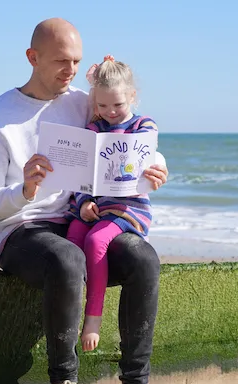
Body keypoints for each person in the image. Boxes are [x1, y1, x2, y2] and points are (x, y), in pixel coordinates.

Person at [0, 17, 185, 384]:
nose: (70, 71)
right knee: (67, 258)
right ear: (32, 58)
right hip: (23, 231)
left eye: (76, 62)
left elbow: (130, 130)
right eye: (60, 61)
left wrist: (157, 166)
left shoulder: (84, 101)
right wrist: (24, 189)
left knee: (142, 257)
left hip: (80, 219)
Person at [65, 55, 159, 354]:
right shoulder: (94, 129)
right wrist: (84, 203)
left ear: (132, 96)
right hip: (98, 205)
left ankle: (93, 318)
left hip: (129, 209)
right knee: (73, 238)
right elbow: (80, 174)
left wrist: (155, 167)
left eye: (118, 105)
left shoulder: (143, 125)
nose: (111, 112)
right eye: (102, 106)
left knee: (95, 240)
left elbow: (150, 156)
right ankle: (71, 311)